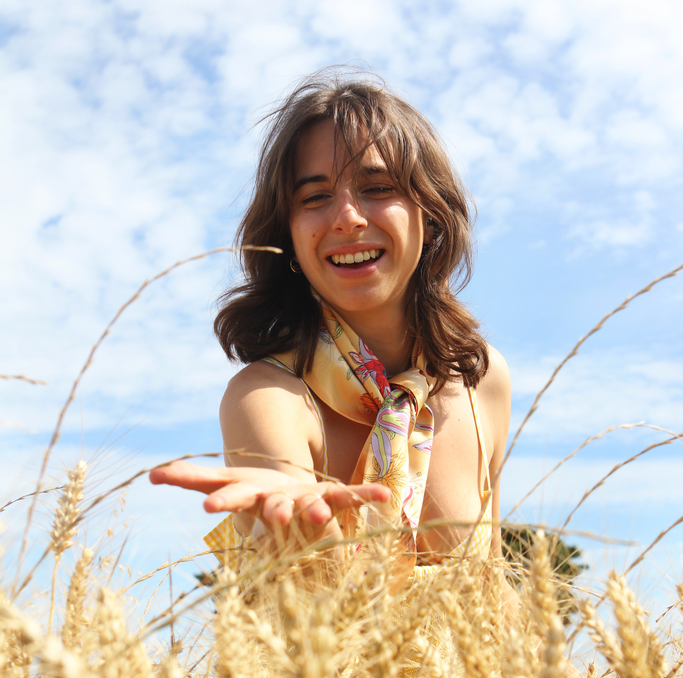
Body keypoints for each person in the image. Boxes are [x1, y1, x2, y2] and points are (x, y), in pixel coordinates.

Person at [150, 70, 511, 591]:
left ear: (430, 217)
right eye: (314, 197)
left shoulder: (484, 379)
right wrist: (292, 522)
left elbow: (495, 598)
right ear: (289, 236)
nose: (345, 217)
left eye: (377, 187)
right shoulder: (268, 397)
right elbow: (315, 615)